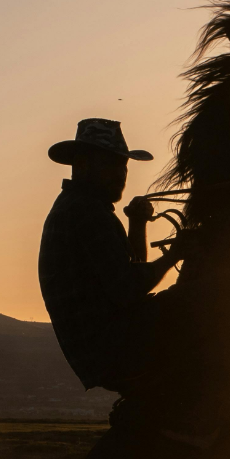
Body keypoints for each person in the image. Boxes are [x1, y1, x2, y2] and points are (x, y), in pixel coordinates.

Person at [39, 116, 180, 397]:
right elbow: (128, 288)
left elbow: (128, 275)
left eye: (123, 166)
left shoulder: (79, 206)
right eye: (110, 164)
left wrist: (136, 224)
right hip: (115, 346)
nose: (120, 175)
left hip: (102, 351)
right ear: (81, 165)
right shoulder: (87, 212)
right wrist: (175, 255)